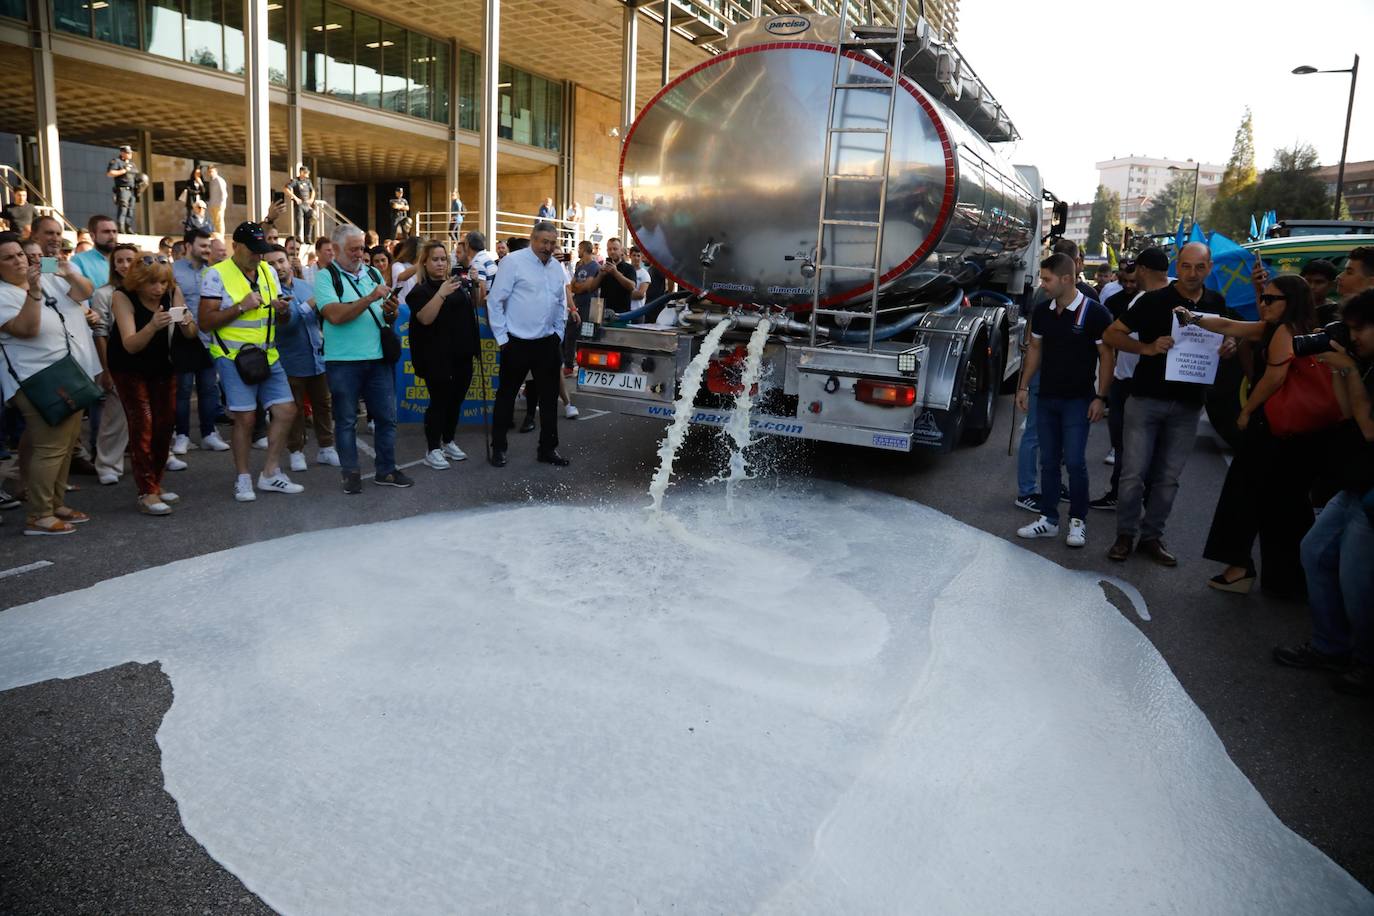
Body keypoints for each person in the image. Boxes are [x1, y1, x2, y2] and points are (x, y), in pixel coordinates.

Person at [1104, 241, 1234, 565]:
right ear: (1177, 266)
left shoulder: (1217, 303)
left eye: (1199, 267)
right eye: (1186, 266)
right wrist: (1146, 348)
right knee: (1133, 473)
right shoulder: (1153, 301)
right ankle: (1125, 535)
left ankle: (1152, 537)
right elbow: (1112, 334)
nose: (1192, 273)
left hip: (1188, 405)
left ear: (1209, 268)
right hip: (1146, 400)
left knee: (1168, 478)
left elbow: (1231, 334)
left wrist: (1231, 342)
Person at [1187, 274, 1318, 595]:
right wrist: (1191, 317)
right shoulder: (1279, 327)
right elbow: (1230, 326)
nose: (1263, 303)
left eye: (1271, 299)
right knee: (1278, 504)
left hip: (1272, 429)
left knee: (1247, 497)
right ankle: (1280, 578)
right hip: (1282, 431)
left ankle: (1246, 570)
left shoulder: (1285, 331)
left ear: (1291, 303)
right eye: (1263, 297)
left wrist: (1246, 412)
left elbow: (1274, 377)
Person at [1272, 289, 1374, 696]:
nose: (1354, 337)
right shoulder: (1363, 363)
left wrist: (1348, 367)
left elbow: (1369, 429)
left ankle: (1365, 662)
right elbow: (1347, 412)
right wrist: (1340, 370)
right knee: (1314, 552)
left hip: (1370, 494)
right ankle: (1331, 646)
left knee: (1357, 582)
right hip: (1355, 485)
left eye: (1359, 329)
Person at [0, 231, 101, 535]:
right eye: (8, 257)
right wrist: (33, 291)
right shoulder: (4, 294)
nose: (19, 260)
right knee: (49, 447)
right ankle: (39, 515)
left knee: (66, 444)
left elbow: (84, 291)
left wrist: (68, 271)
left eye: (19, 253)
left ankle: (55, 504)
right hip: (36, 379)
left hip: (66, 373)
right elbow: (27, 329)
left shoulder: (47, 275)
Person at [197, 221, 303, 502]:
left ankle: (270, 473)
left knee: (286, 410)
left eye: (261, 250)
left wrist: (282, 310)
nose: (258, 255)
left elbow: (281, 317)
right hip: (232, 357)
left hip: (267, 354)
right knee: (245, 418)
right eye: (253, 250)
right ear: (236, 247)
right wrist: (241, 306)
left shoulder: (268, 271)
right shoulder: (215, 275)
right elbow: (205, 322)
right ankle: (243, 478)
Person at [1015, 253, 1114, 548]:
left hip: (1078, 401)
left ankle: (1077, 522)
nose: (1043, 284)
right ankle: (1048, 519)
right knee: (1047, 462)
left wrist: (1101, 397)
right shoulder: (1043, 311)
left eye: (1047, 279)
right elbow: (1034, 349)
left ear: (1067, 279)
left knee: (1074, 462)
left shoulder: (1095, 313)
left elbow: (1107, 356)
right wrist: (1022, 387)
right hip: (1046, 398)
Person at [314, 224, 412, 493]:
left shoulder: (371, 272)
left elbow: (384, 316)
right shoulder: (325, 277)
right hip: (344, 362)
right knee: (346, 420)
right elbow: (334, 315)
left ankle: (386, 471)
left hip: (378, 358)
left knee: (386, 418)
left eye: (361, 248)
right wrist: (370, 298)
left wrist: (390, 311)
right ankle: (351, 474)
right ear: (335, 250)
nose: (360, 254)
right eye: (353, 249)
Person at [109, 255, 200, 515]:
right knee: (143, 425)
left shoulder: (172, 292)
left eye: (163, 282)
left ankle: (155, 484)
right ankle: (146, 492)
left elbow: (191, 333)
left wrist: (186, 322)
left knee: (164, 425)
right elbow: (130, 345)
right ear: (138, 281)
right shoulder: (122, 296)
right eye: (152, 283)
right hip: (129, 367)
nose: (158, 289)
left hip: (162, 365)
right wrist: (151, 326)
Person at [487, 221, 569, 468]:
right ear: (532, 239)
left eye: (552, 243)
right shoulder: (513, 262)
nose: (548, 247)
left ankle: (548, 449)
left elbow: (560, 302)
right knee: (506, 398)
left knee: (548, 400)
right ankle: (499, 448)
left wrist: (558, 334)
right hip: (516, 343)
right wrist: (503, 339)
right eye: (544, 241)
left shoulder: (556, 268)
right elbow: (494, 301)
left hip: (547, 343)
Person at [1091, 250, 1166, 510]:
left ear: (1144, 271)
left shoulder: (1159, 299)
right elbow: (1110, 339)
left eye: (1136, 276)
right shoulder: (1127, 299)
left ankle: (1129, 498)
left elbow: (1113, 336)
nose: (1131, 283)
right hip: (1122, 381)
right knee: (1122, 445)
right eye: (1126, 279)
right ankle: (1122, 494)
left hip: (1141, 384)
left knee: (1133, 449)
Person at [406, 240, 478, 470]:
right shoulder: (420, 291)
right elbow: (425, 318)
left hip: (461, 355)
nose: (440, 263)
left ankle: (448, 441)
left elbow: (475, 305)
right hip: (435, 358)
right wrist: (441, 293)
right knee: (439, 402)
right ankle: (433, 448)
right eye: (435, 259)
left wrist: (476, 284)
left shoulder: (457, 285)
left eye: (443, 259)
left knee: (456, 401)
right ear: (425, 263)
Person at [265, 244, 337, 473]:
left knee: (323, 405)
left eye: (281, 261)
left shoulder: (306, 286)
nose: (278, 267)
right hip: (289, 361)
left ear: (289, 262)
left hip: (316, 358)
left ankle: (327, 447)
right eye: (271, 264)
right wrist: (311, 304)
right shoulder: (268, 293)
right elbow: (287, 323)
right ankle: (296, 451)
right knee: (293, 410)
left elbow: (320, 317)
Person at [171, 228, 230, 454]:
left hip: (209, 338)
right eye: (202, 246)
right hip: (182, 339)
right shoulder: (172, 271)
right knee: (183, 390)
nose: (207, 250)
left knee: (208, 388)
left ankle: (209, 433)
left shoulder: (214, 273)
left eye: (208, 246)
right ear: (188, 246)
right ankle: (182, 435)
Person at [88, 242, 140, 485]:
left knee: (151, 414)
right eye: (119, 260)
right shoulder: (103, 293)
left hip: (146, 360)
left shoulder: (148, 289)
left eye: (129, 259)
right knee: (115, 417)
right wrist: (106, 370)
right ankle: (108, 464)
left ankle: (160, 455)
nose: (124, 265)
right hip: (117, 361)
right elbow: (100, 333)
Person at [70, 214, 118, 288]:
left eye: (114, 232)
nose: (112, 236)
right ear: (92, 236)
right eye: (106, 232)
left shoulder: (125, 259)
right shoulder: (79, 261)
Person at [106, 145, 142, 234]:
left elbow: (136, 176)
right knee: (123, 209)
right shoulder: (116, 162)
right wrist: (123, 171)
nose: (130, 155)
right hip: (123, 189)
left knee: (130, 210)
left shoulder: (132, 164)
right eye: (127, 153)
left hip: (132, 190)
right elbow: (110, 173)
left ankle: (128, 227)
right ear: (122, 153)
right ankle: (121, 228)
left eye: (130, 153)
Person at [283, 165, 316, 243]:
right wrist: (295, 197)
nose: (307, 175)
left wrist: (311, 199)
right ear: (301, 172)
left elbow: (313, 191)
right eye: (305, 173)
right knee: (299, 222)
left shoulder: (308, 181)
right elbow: (285, 189)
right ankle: (298, 238)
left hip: (307, 205)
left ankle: (308, 238)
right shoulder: (295, 181)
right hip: (299, 205)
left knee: (311, 220)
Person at [1301, 259, 1339, 325]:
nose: (1312, 286)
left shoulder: (1335, 313)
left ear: (1331, 285)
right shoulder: (1292, 308)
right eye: (1308, 281)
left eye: (1319, 282)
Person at [206, 165, 228, 237]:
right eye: (209, 172)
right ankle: (216, 236)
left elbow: (224, 193)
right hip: (213, 204)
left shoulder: (219, 180)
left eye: (212, 171)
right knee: (214, 221)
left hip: (219, 204)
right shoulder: (211, 181)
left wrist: (222, 204)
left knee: (219, 221)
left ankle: (221, 236)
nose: (210, 173)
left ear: (216, 171)